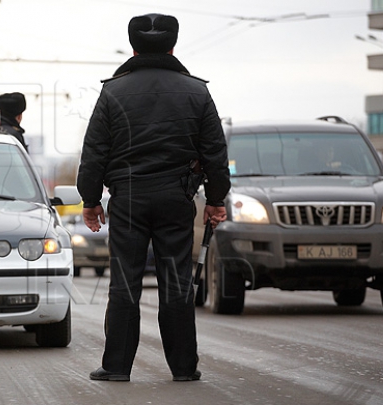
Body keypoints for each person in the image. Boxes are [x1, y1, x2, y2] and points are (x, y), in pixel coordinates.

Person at [77, 13, 231, 382]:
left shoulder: (113, 91)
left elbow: (94, 151)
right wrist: (216, 198)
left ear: (132, 47)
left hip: (128, 199)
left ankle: (116, 366)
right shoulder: (197, 91)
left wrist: (90, 199)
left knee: (124, 283)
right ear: (173, 46)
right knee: (177, 282)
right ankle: (183, 368)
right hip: (177, 198)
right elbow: (214, 152)